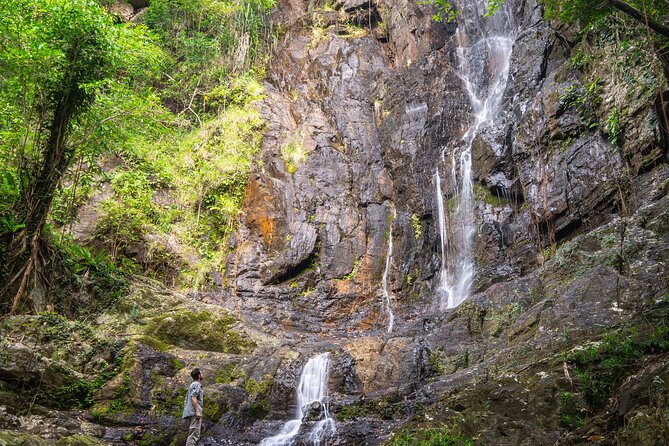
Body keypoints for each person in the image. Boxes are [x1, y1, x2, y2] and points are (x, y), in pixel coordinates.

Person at [182, 368, 204, 446]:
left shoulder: (193, 384)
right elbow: (193, 397)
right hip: (194, 412)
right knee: (194, 434)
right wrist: (197, 411)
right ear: (198, 375)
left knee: (193, 433)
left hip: (191, 412)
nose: (202, 374)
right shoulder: (197, 384)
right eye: (201, 373)